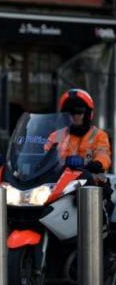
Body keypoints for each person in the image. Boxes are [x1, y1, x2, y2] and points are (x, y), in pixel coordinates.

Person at [45, 88, 113, 216]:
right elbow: (44, 153)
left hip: (90, 182)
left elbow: (103, 153)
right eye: (71, 113)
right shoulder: (56, 135)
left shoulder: (99, 135)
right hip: (59, 184)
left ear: (88, 114)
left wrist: (98, 163)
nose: (75, 116)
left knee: (94, 212)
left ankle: (96, 226)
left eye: (79, 112)